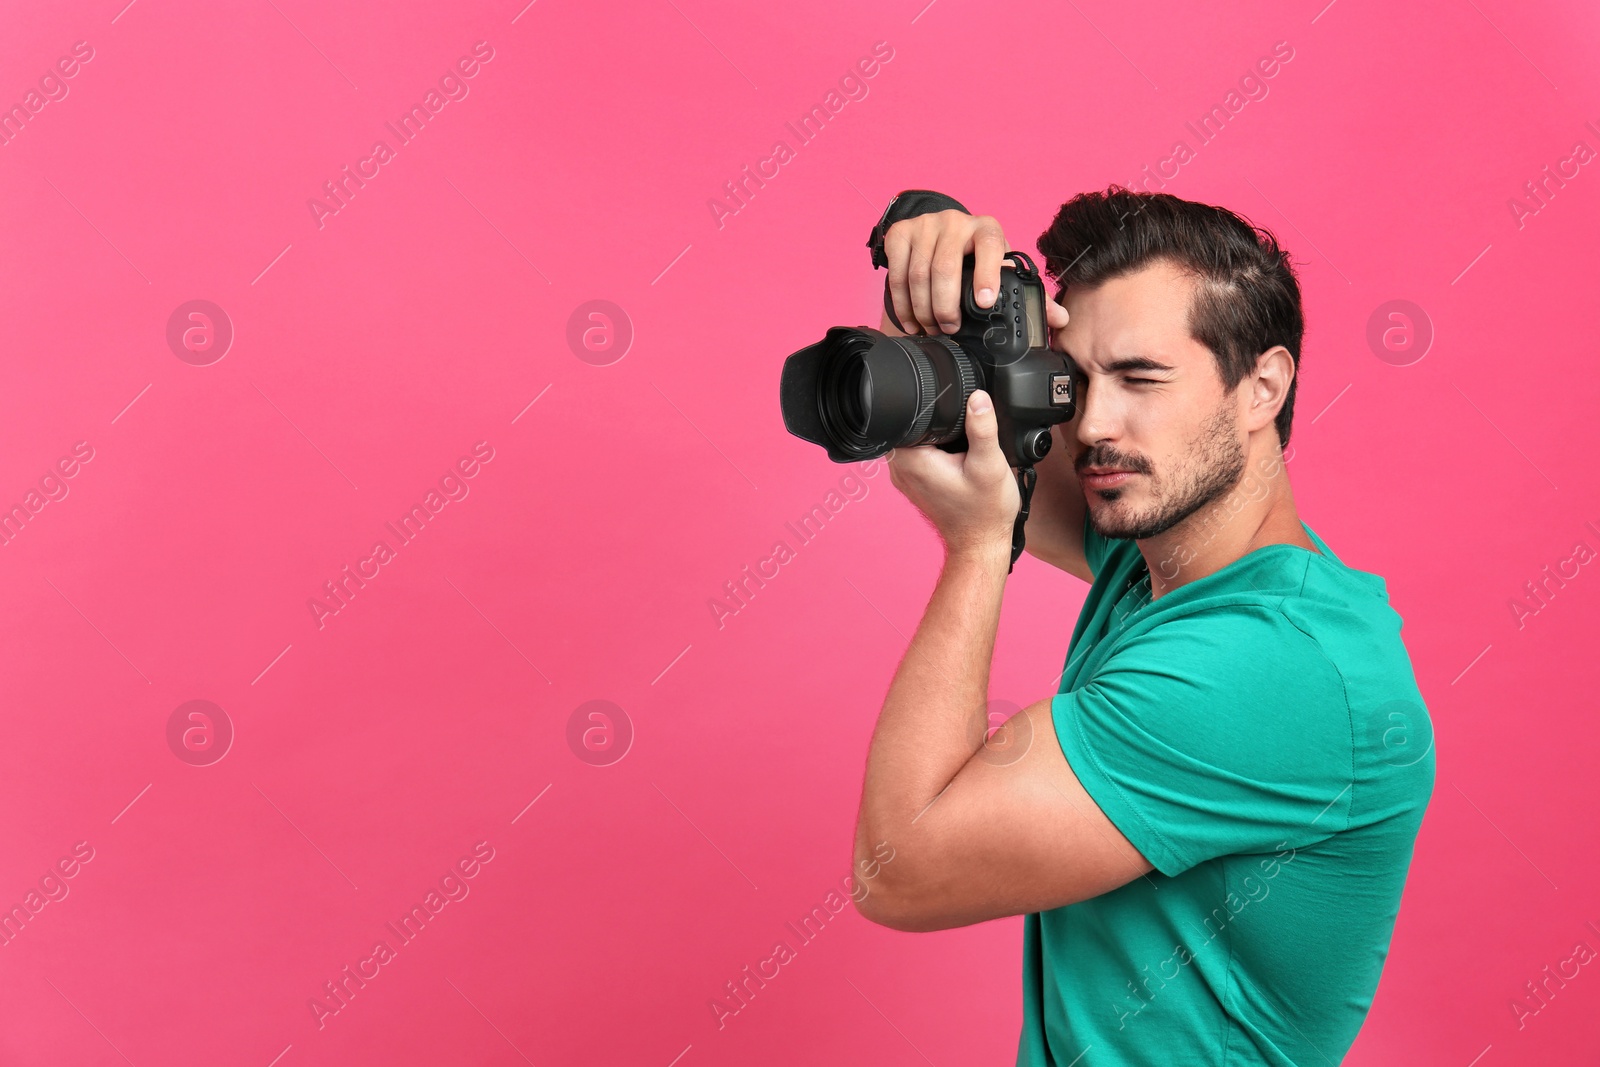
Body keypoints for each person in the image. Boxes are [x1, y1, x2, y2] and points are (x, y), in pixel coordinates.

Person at [849, 186, 1436, 1066]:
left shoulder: (1271, 667)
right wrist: (926, 234)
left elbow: (899, 868)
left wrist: (977, 550)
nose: (1091, 424)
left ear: (1262, 386)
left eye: (1141, 378)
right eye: (1077, 379)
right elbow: (977, 435)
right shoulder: (1164, 554)